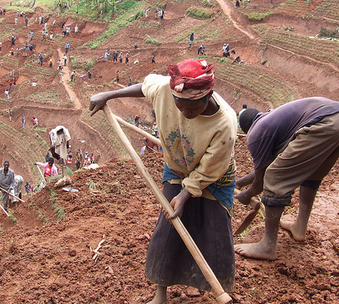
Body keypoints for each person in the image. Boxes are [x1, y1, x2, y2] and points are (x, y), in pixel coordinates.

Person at [89, 58, 237, 303]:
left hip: (215, 176)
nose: (185, 114)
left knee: (215, 231)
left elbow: (209, 170)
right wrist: (108, 95)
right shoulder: (165, 91)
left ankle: (216, 290)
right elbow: (145, 86)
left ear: (207, 96)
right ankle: (161, 296)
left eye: (192, 109)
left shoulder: (225, 124)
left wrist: (187, 194)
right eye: (180, 107)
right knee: (168, 229)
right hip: (178, 168)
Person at [234, 97, 339, 260]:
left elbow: (262, 180)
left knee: (275, 177)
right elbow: (266, 166)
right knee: (312, 172)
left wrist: (247, 194)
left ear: (244, 130)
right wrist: (239, 183)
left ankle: (267, 246)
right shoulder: (271, 121)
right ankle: (299, 228)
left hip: (327, 122)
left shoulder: (256, 134)